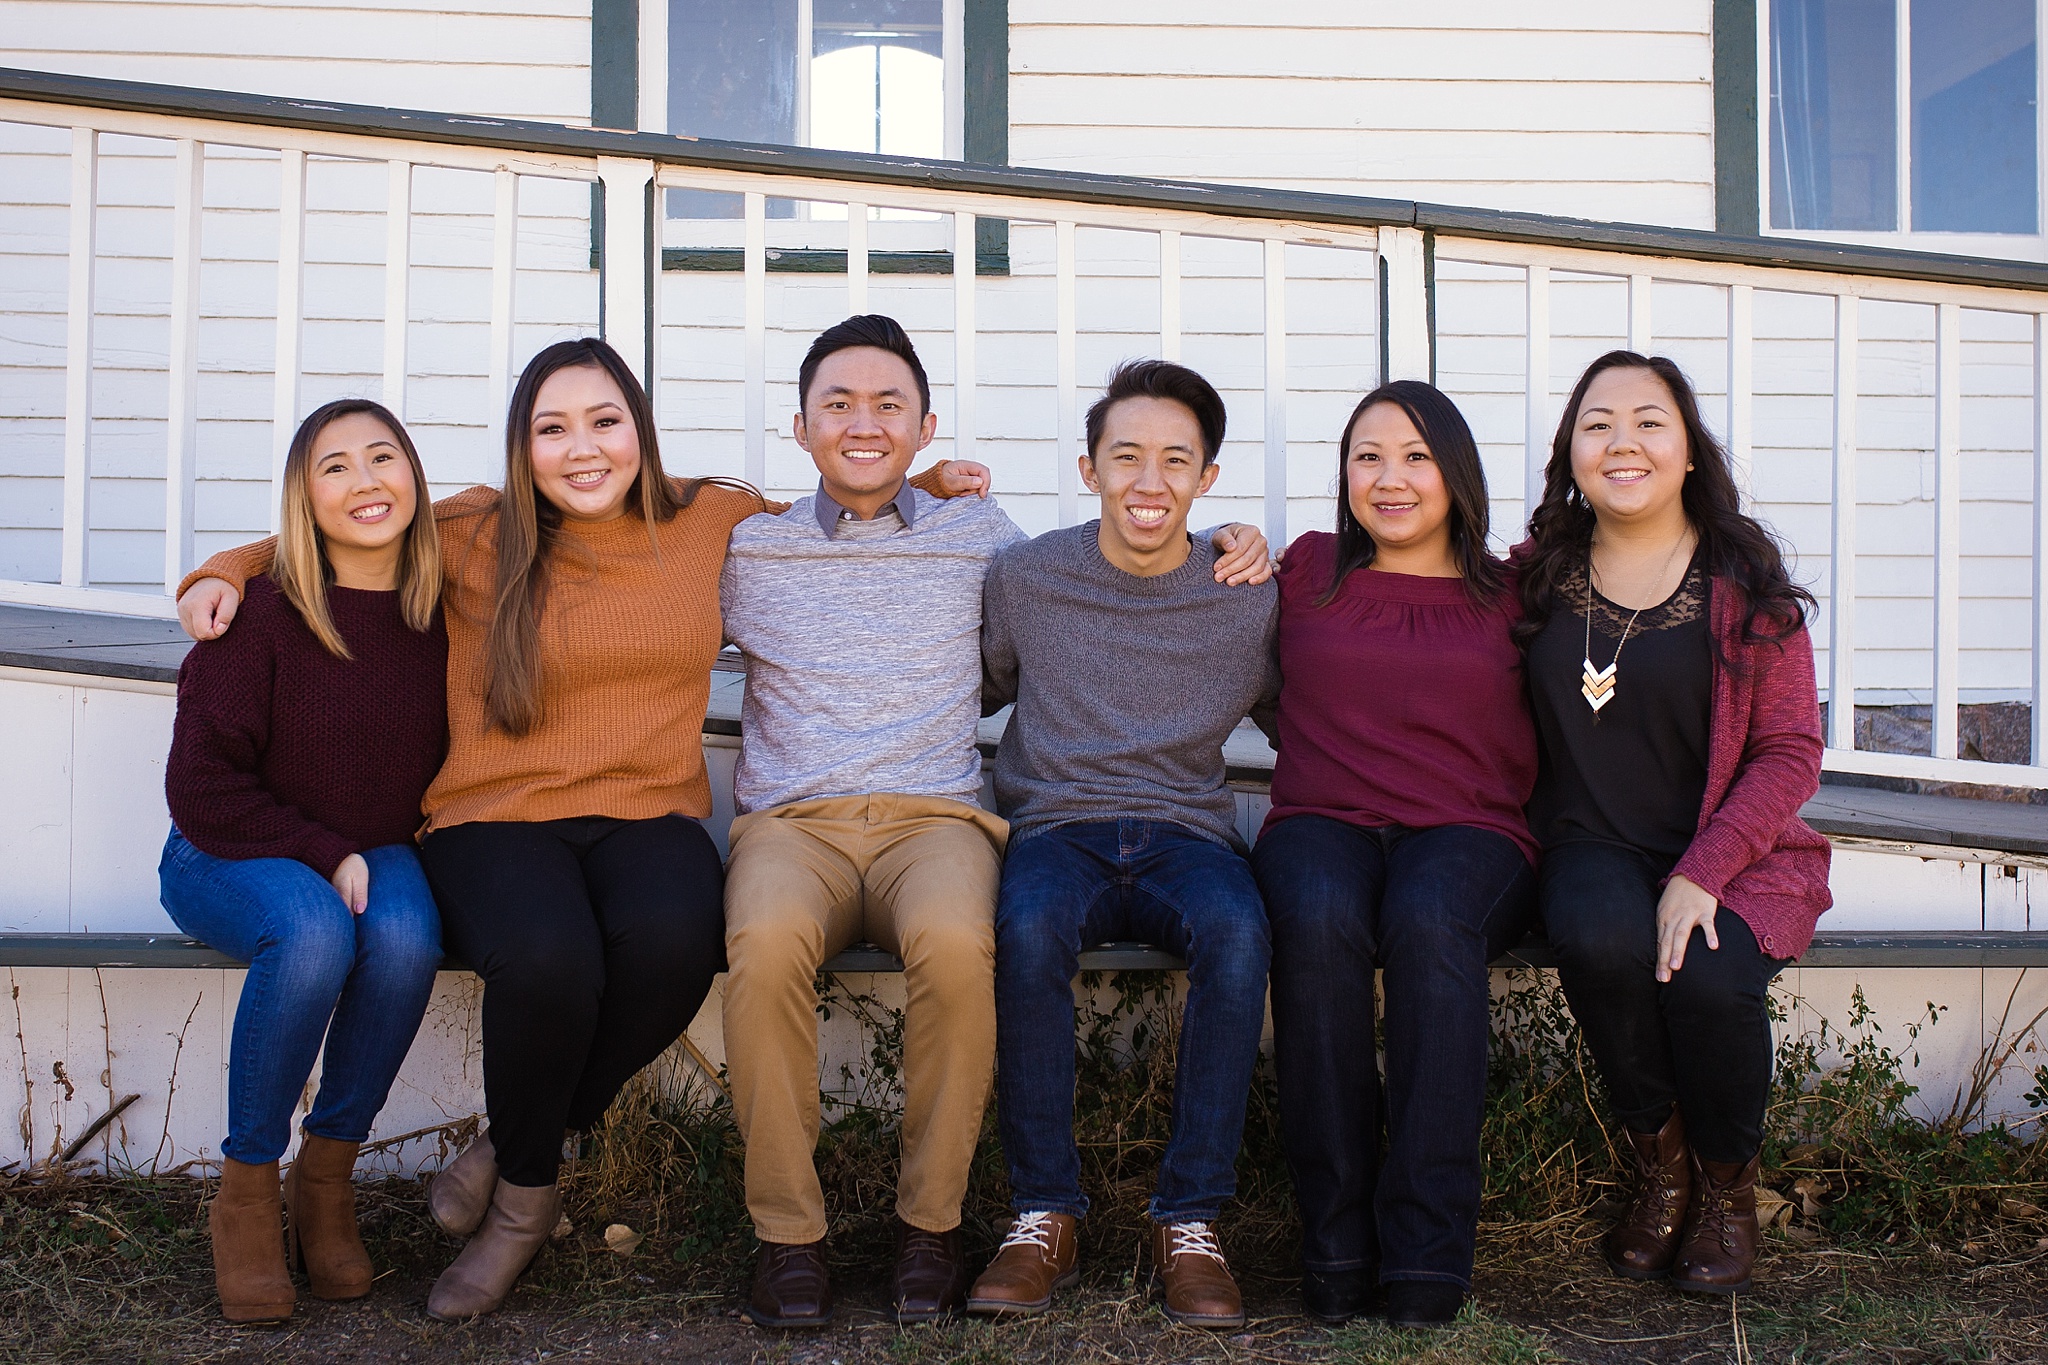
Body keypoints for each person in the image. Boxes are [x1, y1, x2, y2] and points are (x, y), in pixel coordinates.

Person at [174, 338, 983, 1320]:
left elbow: (844, 493)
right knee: (550, 959)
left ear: (637, 432)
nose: (583, 448)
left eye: (604, 422)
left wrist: (929, 478)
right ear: (525, 446)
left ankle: (517, 1158)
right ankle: (524, 1207)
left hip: (646, 807)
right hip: (492, 814)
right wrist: (220, 568)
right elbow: (342, 523)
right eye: (553, 428)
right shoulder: (474, 527)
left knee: (679, 945)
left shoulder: (706, 516)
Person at [719, 317, 1271, 1329]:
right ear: (798, 427)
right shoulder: (750, 546)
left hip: (954, 819)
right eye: (837, 404)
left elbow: (1153, 577)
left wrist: (1238, 538)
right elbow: (643, 527)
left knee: (977, 938)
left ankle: (956, 1231)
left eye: (889, 405)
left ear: (925, 425)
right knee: (768, 944)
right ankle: (799, 1238)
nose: (863, 423)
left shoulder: (989, 541)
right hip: (810, 824)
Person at [966, 359, 1280, 1331]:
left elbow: (1300, 719)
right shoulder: (1026, 577)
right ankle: (1042, 1211)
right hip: (1056, 828)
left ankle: (1186, 1220)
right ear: (1087, 467)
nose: (1150, 482)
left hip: (1188, 831)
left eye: (1174, 461)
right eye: (1127, 458)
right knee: (1023, 932)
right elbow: (972, 689)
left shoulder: (1244, 590)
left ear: (1207, 478)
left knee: (1237, 935)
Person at [1517, 350, 1829, 1296]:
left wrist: (1705, 867)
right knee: (1601, 937)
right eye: (1597, 423)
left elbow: (1789, 750)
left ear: (1689, 448)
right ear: (1571, 451)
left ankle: (1729, 1191)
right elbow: (1407, 587)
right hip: (1588, 844)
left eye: (1649, 421)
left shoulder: (1742, 579)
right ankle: (1660, 1166)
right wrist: (1255, 549)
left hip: (1732, 853)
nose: (1623, 442)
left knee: (1707, 979)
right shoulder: (1533, 576)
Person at [1250, 381, 1537, 1327]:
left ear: (1456, 472)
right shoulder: (1308, 566)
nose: (1391, 477)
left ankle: (1425, 1255)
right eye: (1368, 455)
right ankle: (1335, 1246)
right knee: (1320, 918)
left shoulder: (1514, 594)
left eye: (1416, 456)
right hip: (1321, 817)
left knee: (1428, 921)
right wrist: (1226, 540)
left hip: (1471, 830)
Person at [160, 398, 447, 1322]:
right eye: (335, 467)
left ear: (414, 474)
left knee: (405, 936)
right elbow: (201, 789)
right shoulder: (263, 611)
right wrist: (322, 851)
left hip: (377, 845)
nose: (365, 482)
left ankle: (326, 1175)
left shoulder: (448, 603)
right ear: (303, 495)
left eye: (383, 457)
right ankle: (247, 1188)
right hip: (228, 845)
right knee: (314, 927)